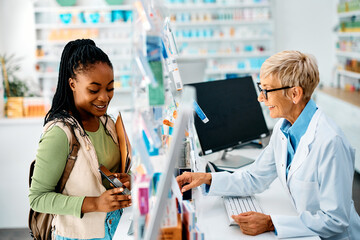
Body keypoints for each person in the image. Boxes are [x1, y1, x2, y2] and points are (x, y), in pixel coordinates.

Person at [177, 50, 360, 239]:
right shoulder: (284, 128)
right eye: (260, 88)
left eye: (267, 90)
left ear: (294, 93)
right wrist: (207, 178)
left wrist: (271, 223)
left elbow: (335, 221)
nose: (261, 98)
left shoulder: (330, 142)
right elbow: (254, 178)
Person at [29, 39, 132, 240]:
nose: (104, 98)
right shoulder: (60, 134)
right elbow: (37, 198)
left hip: (117, 227)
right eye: (94, 90)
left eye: (110, 88)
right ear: (73, 84)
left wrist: (127, 180)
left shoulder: (108, 123)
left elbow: (109, 172)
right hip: (79, 235)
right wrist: (94, 203)